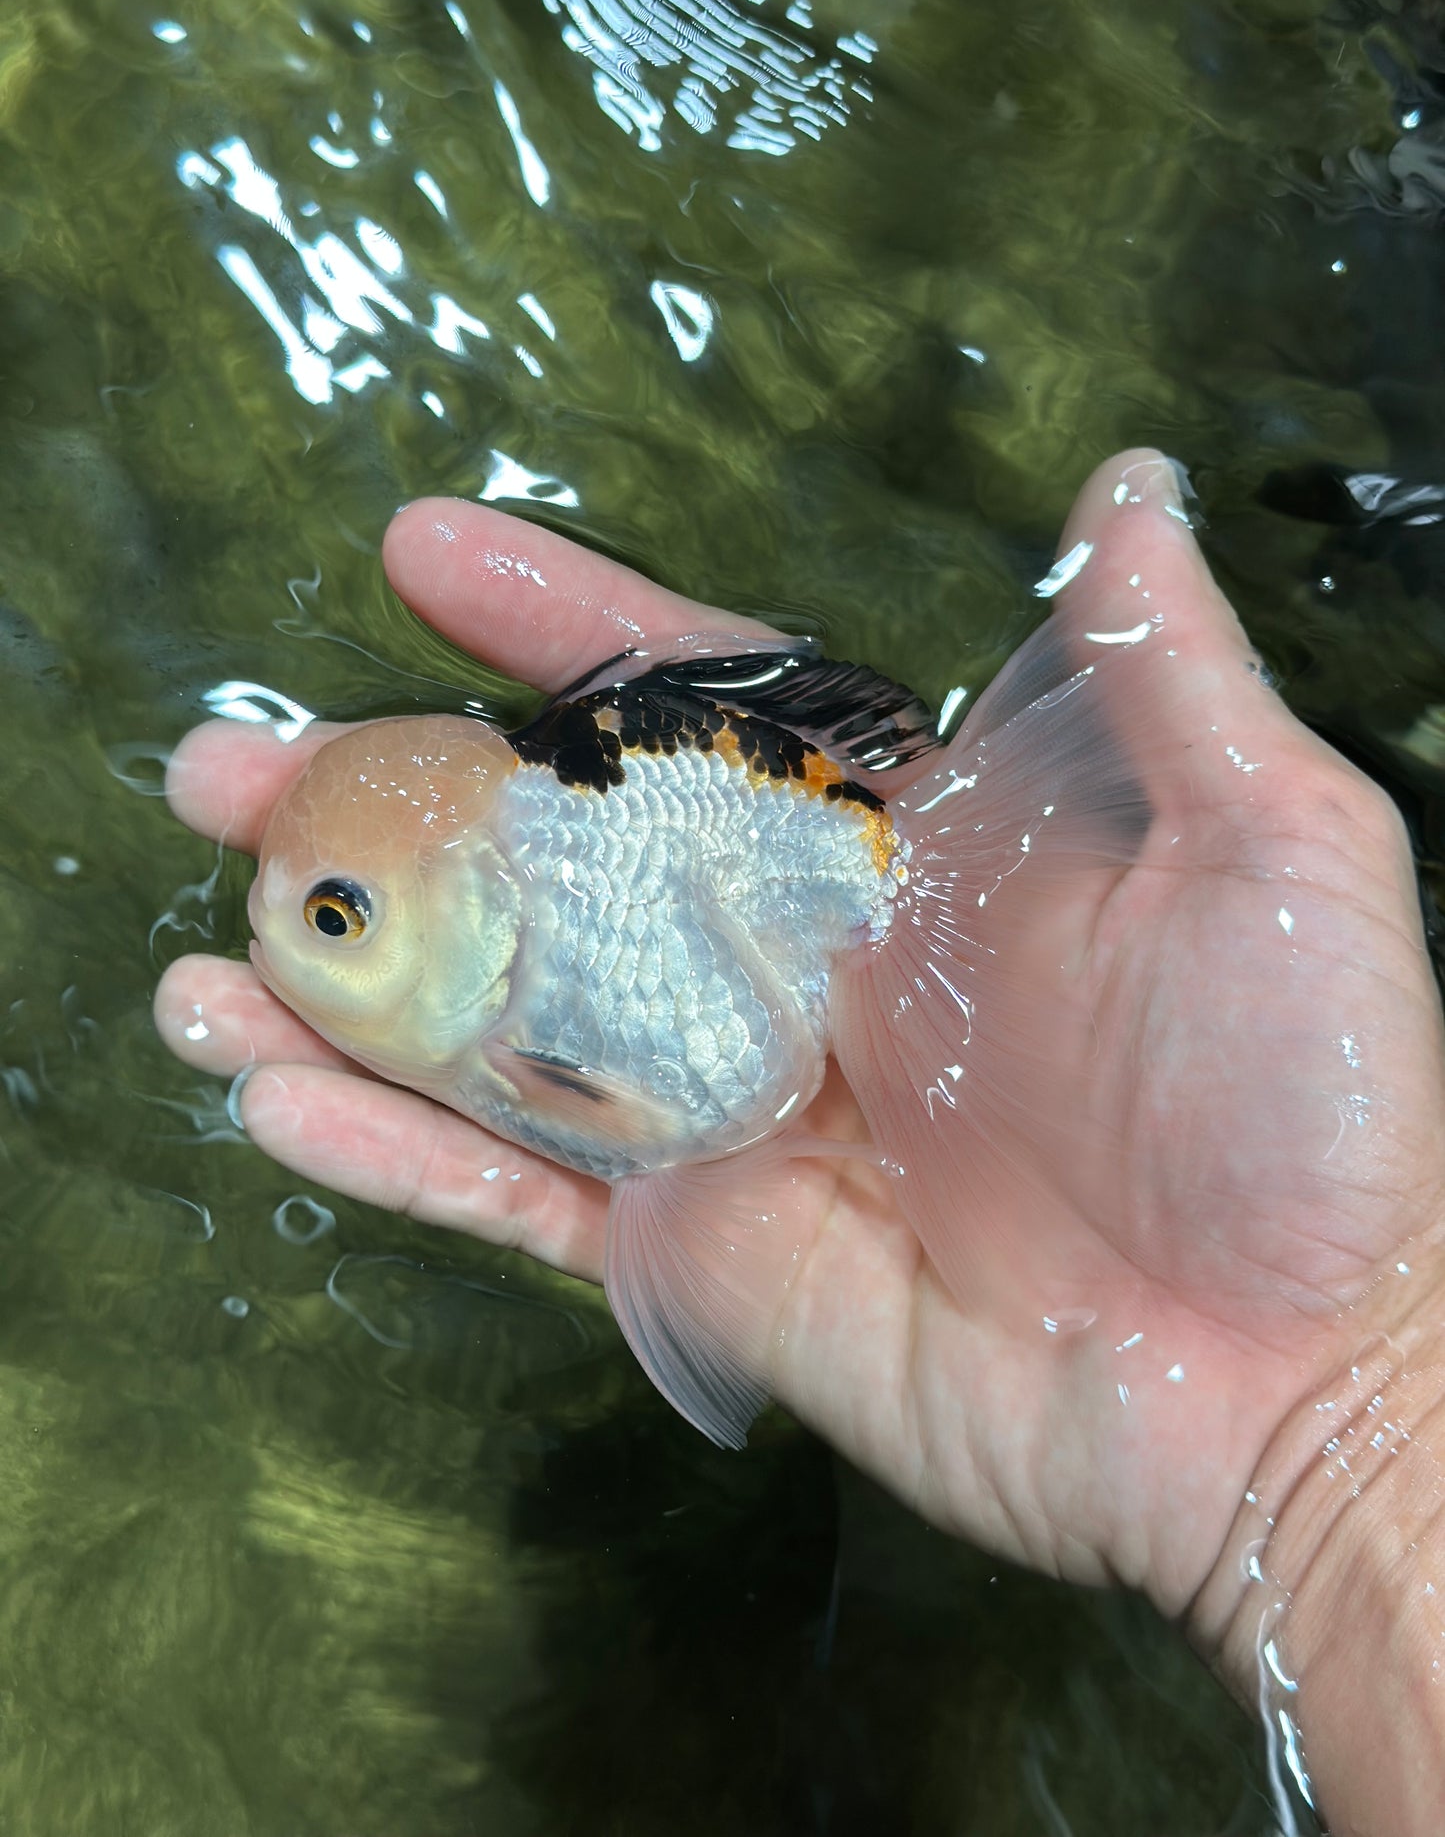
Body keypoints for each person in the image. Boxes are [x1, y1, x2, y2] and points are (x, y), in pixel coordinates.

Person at [155, 449, 1445, 1833]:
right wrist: (1346, 1432)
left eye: (338, 918)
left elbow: (631, 1124)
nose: (302, 940)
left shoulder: (599, 941)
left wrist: (1341, 1429)